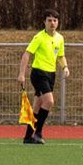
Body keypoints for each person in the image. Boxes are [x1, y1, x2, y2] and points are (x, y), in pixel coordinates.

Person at [18, 9, 70, 144]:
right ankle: (38, 132)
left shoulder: (60, 38)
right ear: (44, 22)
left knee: (37, 106)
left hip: (50, 74)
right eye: (49, 20)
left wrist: (65, 67)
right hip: (38, 73)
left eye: (55, 20)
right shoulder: (39, 37)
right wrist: (21, 74)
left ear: (58, 23)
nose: (52, 23)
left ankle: (28, 137)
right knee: (49, 101)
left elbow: (60, 55)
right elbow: (27, 54)